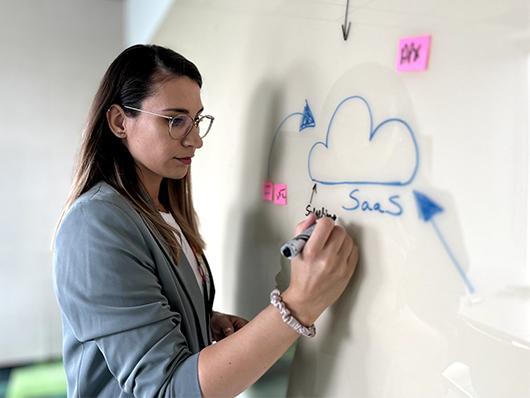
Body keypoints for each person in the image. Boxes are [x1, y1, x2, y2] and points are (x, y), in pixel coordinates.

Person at [52, 44, 358, 397]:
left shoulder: (161, 212)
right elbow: (165, 389)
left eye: (196, 120)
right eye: (175, 120)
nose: (195, 139)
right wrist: (299, 304)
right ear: (120, 121)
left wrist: (196, 320)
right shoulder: (95, 225)